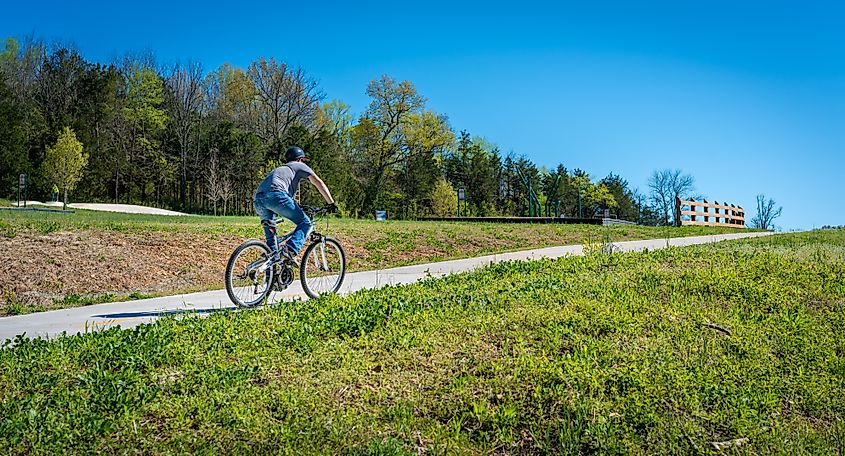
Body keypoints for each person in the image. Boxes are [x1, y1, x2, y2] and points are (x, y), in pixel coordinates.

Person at [253, 146, 337, 261]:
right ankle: (290, 249)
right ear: (300, 159)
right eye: (303, 160)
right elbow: (318, 182)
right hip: (277, 196)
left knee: (271, 245)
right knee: (306, 223)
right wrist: (331, 203)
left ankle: (270, 277)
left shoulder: (281, 169)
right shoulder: (299, 165)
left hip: (258, 199)